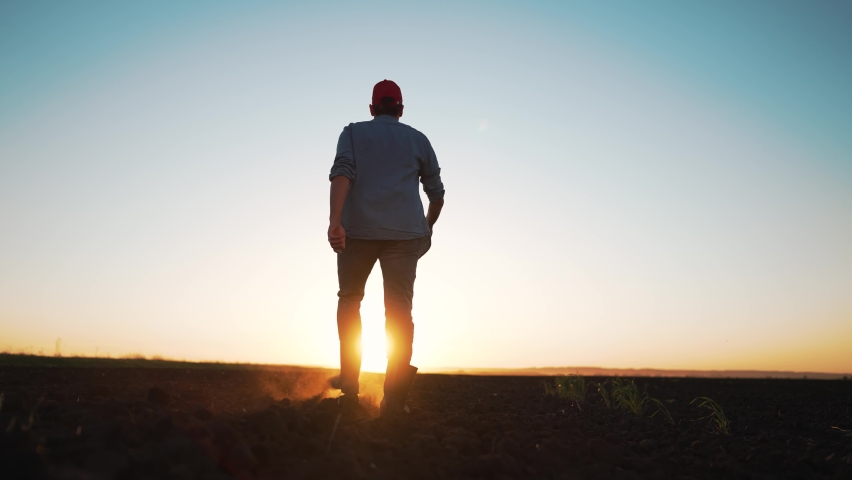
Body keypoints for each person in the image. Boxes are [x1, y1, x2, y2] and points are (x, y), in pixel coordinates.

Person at [327, 79, 445, 416]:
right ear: (401, 110)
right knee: (399, 312)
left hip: (357, 233)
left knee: (350, 300)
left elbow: (342, 173)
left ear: (372, 108)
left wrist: (336, 220)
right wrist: (427, 228)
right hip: (406, 235)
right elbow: (436, 194)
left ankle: (349, 391)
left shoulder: (352, 133)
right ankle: (394, 401)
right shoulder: (418, 139)